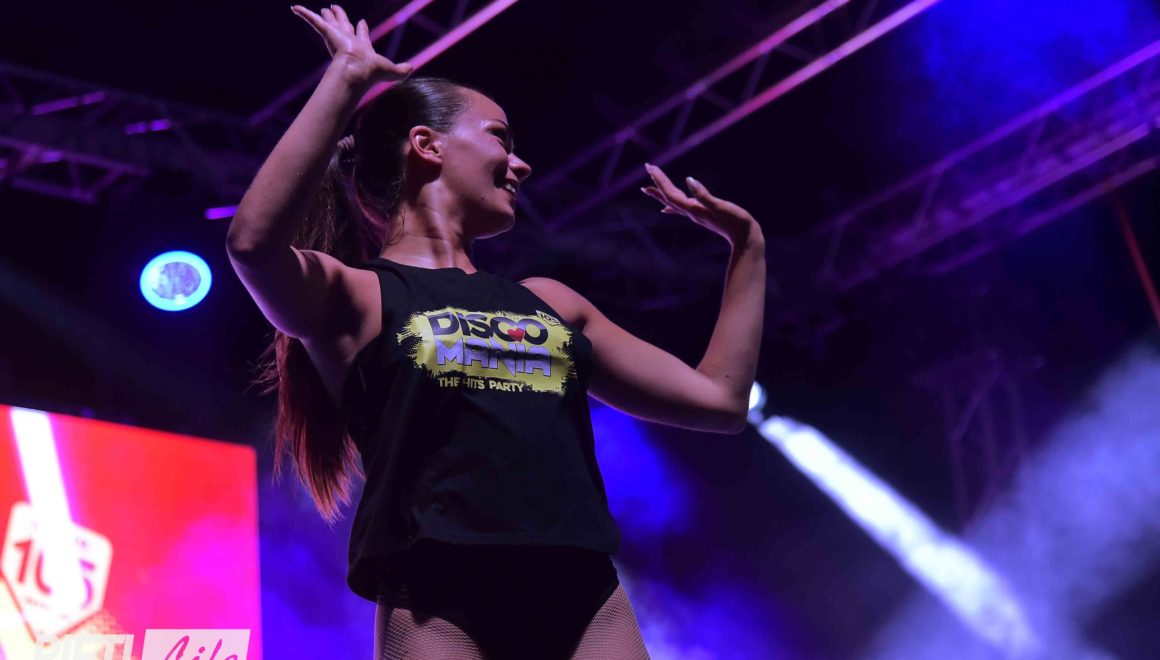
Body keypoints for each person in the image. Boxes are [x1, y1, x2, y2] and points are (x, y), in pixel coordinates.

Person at [226, 4, 766, 658]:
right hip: (438, 600)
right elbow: (253, 244)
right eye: (500, 138)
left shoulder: (551, 303)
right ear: (427, 145)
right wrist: (345, 80)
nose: (521, 164)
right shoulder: (359, 296)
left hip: (582, 596)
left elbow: (721, 401)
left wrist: (748, 249)